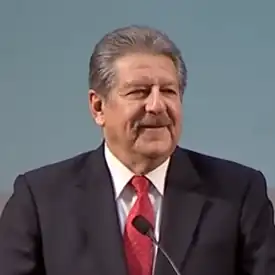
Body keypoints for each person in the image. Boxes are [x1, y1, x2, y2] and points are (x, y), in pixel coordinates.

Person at [0, 25, 274, 275]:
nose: (156, 105)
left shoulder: (238, 193)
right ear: (98, 107)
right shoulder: (39, 199)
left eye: (168, 91)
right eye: (139, 92)